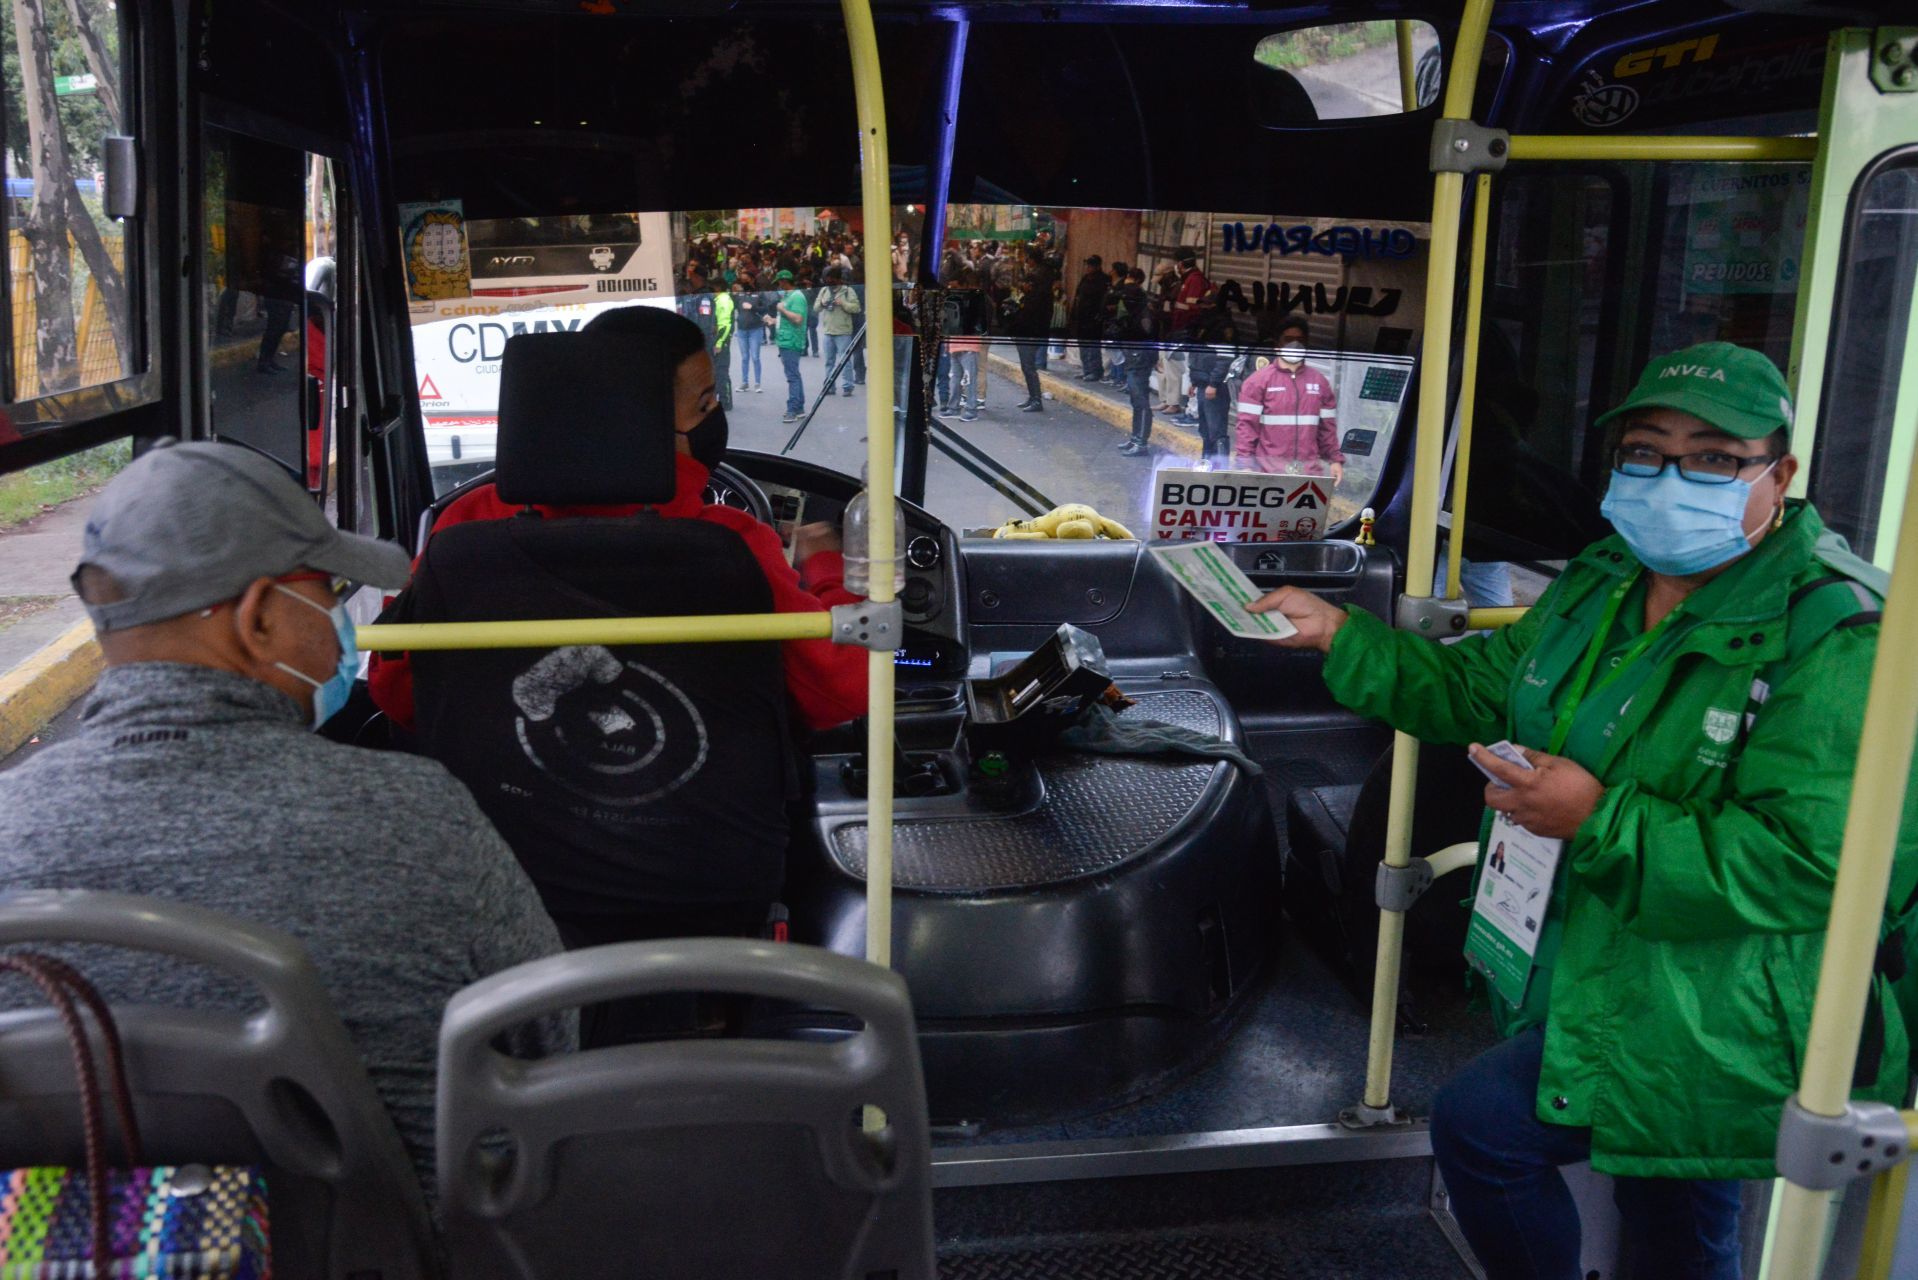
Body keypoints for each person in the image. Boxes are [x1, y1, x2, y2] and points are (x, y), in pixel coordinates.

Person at [1246, 342, 1918, 1280]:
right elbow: (1481, 690)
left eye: (1714, 458)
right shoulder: (1605, 576)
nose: (1671, 478)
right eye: (1645, 452)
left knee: (1484, 1130)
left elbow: (1815, 866)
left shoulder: (1843, 637)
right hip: (1605, 951)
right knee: (1670, 1199)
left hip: (1730, 999)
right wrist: (1342, 636)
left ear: (1781, 473)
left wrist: (1596, 821)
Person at [0, 440, 573, 1197]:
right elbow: (546, 1048)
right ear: (259, 618)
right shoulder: (419, 820)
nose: (341, 621)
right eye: (330, 591)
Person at [371, 305, 864, 741]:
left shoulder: (466, 524)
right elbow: (843, 691)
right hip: (699, 833)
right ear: (634, 416)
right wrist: (824, 566)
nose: (716, 416)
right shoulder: (731, 543)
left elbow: (397, 690)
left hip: (502, 825)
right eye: (705, 404)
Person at [1232, 315, 1344, 482]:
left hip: (1309, 475)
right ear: (1277, 345)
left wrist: (1335, 460)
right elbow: (1246, 427)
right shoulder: (1257, 382)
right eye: (1288, 339)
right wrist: (1245, 465)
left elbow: (1327, 427)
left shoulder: (1320, 382)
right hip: (1268, 473)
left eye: (1300, 340)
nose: (1295, 344)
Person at [1187, 303, 1243, 466]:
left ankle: (1220, 467)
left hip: (1216, 388)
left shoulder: (1223, 328)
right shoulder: (1205, 326)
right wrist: (1194, 382)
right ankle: (1206, 462)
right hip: (1203, 385)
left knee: (1216, 429)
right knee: (1205, 429)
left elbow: (1225, 360)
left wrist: (1214, 384)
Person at [1111, 267, 1155, 456]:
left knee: (1141, 400)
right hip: (1133, 357)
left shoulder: (1143, 316)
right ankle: (1135, 437)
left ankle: (1141, 442)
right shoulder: (1134, 314)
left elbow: (1147, 336)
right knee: (1135, 400)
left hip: (1140, 358)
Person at [1009, 250, 1054, 414]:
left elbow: (1029, 312)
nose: (1024, 286)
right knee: (1026, 366)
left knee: (1028, 366)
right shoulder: (1038, 294)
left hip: (1030, 331)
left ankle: (1036, 399)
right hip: (1031, 329)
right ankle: (1032, 397)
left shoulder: (1036, 299)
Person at [942, 268, 988, 422]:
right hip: (955, 345)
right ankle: (953, 407)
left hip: (969, 345)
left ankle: (971, 409)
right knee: (955, 380)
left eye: (955, 286)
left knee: (969, 380)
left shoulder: (974, 301)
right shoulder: (952, 301)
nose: (952, 289)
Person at [816, 266, 862, 397]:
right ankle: (829, 386)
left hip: (843, 331)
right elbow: (816, 307)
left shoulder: (848, 291)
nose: (827, 280)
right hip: (828, 331)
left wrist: (843, 303)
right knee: (829, 361)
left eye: (830, 278)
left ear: (837, 278)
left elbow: (856, 308)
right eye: (826, 278)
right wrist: (822, 303)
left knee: (844, 360)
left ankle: (847, 386)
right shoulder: (824, 290)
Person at [775, 268, 809, 422]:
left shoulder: (796, 297)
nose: (779, 286)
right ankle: (799, 407)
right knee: (794, 374)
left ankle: (793, 409)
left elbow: (798, 319)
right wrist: (774, 320)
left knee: (792, 376)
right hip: (786, 339)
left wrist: (782, 309)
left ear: (784, 281)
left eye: (780, 282)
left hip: (791, 341)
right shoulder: (789, 296)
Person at [1072, 254, 1109, 380]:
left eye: (1091, 265)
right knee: (1083, 346)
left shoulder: (1103, 280)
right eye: (1088, 265)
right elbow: (1078, 297)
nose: (1088, 267)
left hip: (1093, 319)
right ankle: (1086, 370)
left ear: (1097, 266)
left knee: (1093, 347)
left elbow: (1103, 301)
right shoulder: (1085, 279)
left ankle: (1095, 371)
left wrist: (1099, 316)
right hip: (1082, 318)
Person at [734, 270, 766, 393]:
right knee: (744, 357)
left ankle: (757, 383)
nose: (743, 282)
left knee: (755, 357)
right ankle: (744, 382)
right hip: (742, 329)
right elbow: (736, 307)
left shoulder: (759, 293)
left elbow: (765, 308)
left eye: (745, 279)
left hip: (755, 329)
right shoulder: (740, 294)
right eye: (742, 280)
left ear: (752, 279)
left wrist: (752, 307)